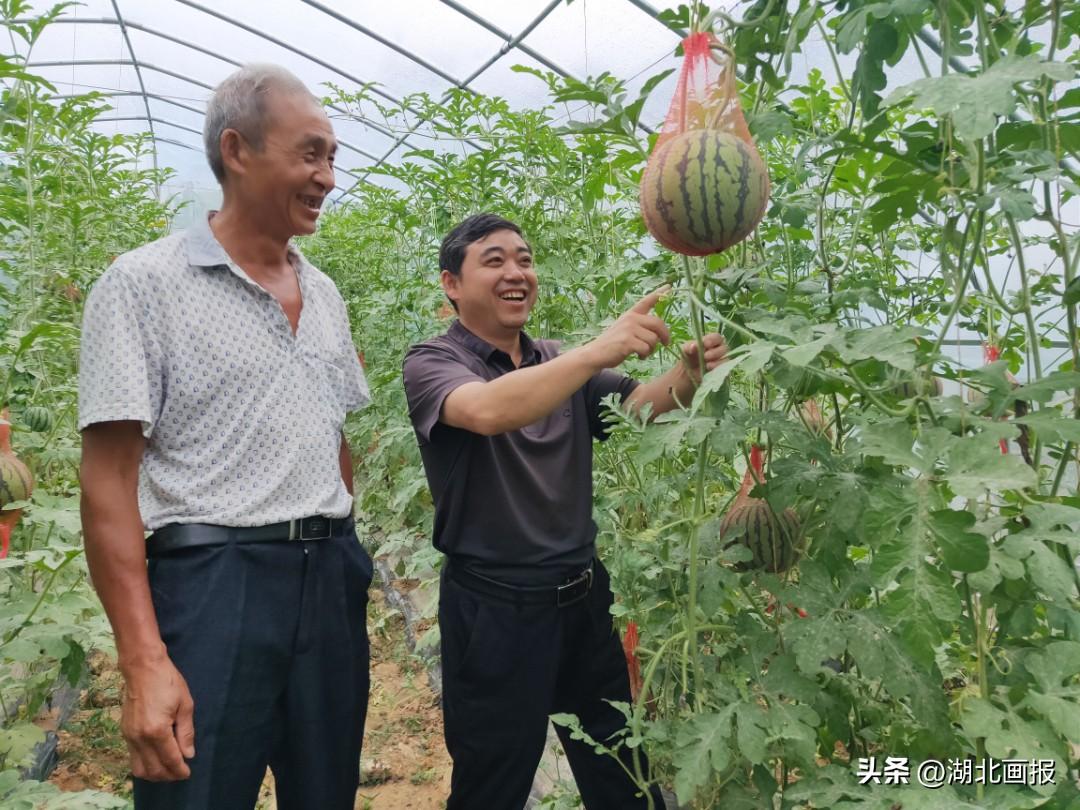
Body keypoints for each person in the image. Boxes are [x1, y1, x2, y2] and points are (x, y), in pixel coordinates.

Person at [78, 64, 372, 810]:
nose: (328, 177)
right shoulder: (142, 285)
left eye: (334, 157)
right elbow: (108, 478)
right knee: (197, 795)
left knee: (325, 793)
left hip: (329, 578)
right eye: (311, 154)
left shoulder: (327, 292)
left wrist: (342, 550)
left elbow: (335, 436)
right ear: (237, 150)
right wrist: (144, 661)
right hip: (215, 584)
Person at [402, 213, 727, 809]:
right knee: (492, 783)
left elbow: (640, 409)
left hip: (583, 599)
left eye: (524, 259)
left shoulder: (557, 360)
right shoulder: (432, 361)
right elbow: (487, 411)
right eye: (494, 260)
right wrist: (594, 350)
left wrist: (688, 374)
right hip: (494, 610)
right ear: (452, 283)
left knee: (622, 771)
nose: (516, 272)